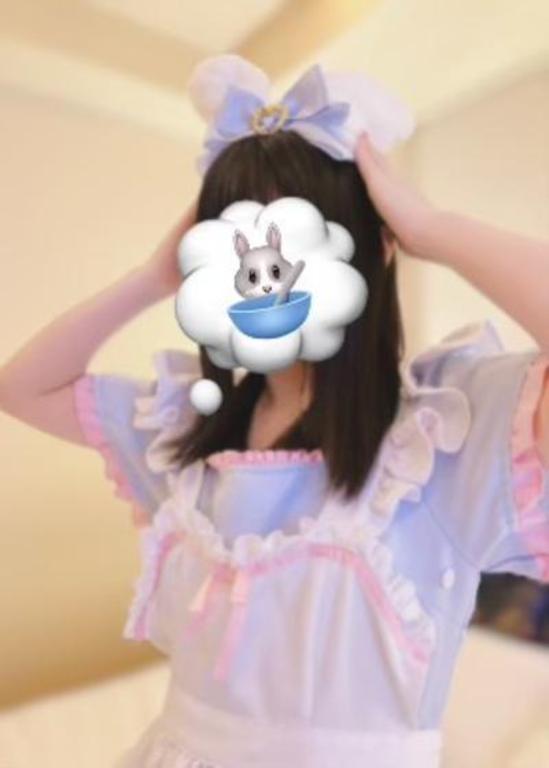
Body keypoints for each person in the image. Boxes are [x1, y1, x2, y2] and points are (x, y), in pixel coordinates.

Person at [0, 54, 548, 768]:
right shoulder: (184, 433)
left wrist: (431, 227)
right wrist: (151, 278)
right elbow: (22, 388)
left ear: (373, 248)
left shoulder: (439, 439)